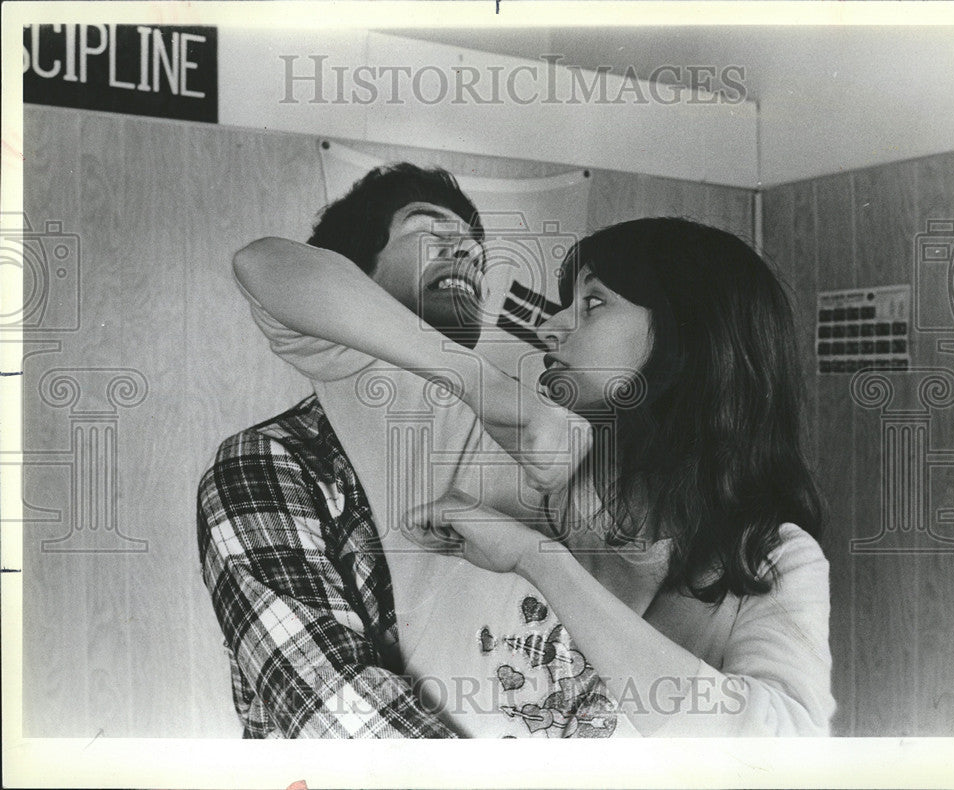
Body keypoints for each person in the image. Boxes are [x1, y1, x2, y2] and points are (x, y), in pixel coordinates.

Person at [235, 215, 836, 736]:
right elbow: (264, 270)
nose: (552, 327)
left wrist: (540, 560)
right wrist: (489, 391)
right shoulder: (468, 448)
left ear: (690, 338)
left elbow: (782, 751)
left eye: (593, 303)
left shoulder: (770, 559)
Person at [198, 163, 610, 739]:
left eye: (476, 251)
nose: (466, 252)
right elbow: (331, 703)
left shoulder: (533, 430)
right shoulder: (267, 460)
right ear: (354, 271)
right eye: (429, 231)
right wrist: (484, 386)